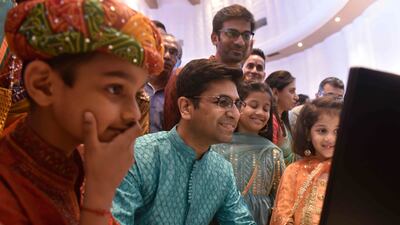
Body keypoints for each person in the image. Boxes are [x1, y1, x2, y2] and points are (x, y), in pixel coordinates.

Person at [0, 1, 164, 225]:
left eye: (136, 93)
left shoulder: (82, 164)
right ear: (43, 85)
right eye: (115, 89)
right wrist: (99, 198)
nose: (133, 114)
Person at [112, 59, 256, 225]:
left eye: (237, 104)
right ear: (186, 107)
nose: (234, 113)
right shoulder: (138, 156)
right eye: (223, 102)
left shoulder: (222, 171)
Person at [163, 4, 255, 131]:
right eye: (231, 33)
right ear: (214, 38)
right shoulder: (186, 76)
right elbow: (170, 131)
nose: (240, 42)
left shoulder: (249, 86)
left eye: (246, 35)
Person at [213, 82, 285, 225]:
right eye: (253, 105)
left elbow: (280, 196)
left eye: (266, 109)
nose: (260, 112)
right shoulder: (218, 146)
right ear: (238, 106)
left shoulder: (272, 152)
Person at [270, 96, 342, 225]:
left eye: (338, 131)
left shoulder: (350, 174)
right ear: (308, 133)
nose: (330, 138)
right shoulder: (294, 170)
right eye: (322, 131)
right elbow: (282, 214)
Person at [145, 33, 180, 133]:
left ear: (178, 60)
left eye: (173, 52)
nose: (167, 56)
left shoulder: (178, 94)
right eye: (163, 49)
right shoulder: (135, 86)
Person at [264, 70, 298, 166]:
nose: (296, 97)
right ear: (275, 93)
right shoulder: (272, 121)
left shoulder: (281, 120)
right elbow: (270, 162)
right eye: (292, 91)